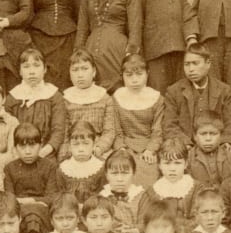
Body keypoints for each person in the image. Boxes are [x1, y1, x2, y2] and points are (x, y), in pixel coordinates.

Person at [161, 45, 231, 149]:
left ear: (208, 64)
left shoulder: (223, 90)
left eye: (195, 63)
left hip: (217, 147)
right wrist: (185, 144)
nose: (191, 69)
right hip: (187, 148)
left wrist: (227, 141)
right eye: (187, 64)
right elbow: (169, 124)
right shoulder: (174, 91)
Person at [110, 53, 166, 187]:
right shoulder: (117, 97)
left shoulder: (157, 98)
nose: (134, 80)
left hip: (148, 148)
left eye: (139, 74)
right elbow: (116, 129)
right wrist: (121, 148)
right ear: (122, 76)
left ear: (147, 73)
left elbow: (157, 130)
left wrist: (151, 149)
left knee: (148, 173)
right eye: (129, 75)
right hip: (124, 146)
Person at [3, 123, 64, 233]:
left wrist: (30, 200)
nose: (27, 152)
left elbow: (52, 197)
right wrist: (25, 203)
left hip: (42, 211)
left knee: (35, 215)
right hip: (19, 210)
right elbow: (9, 198)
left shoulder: (49, 166)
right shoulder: (10, 168)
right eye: (22, 147)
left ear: (41, 145)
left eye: (32, 146)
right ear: (15, 148)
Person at [7, 48, 67, 159]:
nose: (32, 71)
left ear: (44, 69)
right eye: (26, 67)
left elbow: (58, 131)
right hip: (17, 154)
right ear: (20, 71)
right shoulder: (13, 97)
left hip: (45, 153)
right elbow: (7, 132)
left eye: (36, 65)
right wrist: (19, 154)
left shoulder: (54, 96)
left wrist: (43, 152)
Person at [61, 49, 117, 160]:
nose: (80, 75)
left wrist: (99, 148)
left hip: (98, 147)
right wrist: (70, 150)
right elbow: (65, 134)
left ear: (94, 71)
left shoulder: (105, 98)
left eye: (85, 69)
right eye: (75, 70)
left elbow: (109, 131)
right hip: (74, 147)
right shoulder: (65, 99)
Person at [186, 110, 231, 192]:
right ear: (195, 136)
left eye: (213, 134)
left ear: (221, 136)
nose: (208, 139)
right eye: (203, 134)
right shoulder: (188, 159)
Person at [95, 149, 146, 233]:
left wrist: (135, 230)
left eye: (124, 173)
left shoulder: (142, 196)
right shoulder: (103, 197)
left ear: (133, 173)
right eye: (114, 174)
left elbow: (146, 221)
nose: (119, 179)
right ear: (106, 175)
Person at [147, 137, 199, 219]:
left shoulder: (195, 188)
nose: (172, 168)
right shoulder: (153, 191)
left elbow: (197, 219)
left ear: (185, 164)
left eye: (177, 163)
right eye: (167, 163)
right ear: (159, 165)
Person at [58, 121, 107, 203]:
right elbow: (59, 197)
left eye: (86, 143)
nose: (81, 149)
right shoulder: (63, 169)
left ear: (94, 145)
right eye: (76, 144)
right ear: (69, 146)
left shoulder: (101, 168)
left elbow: (104, 195)